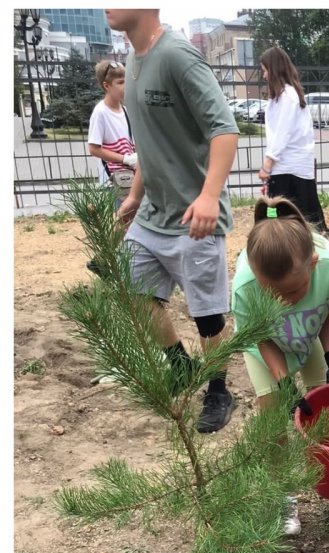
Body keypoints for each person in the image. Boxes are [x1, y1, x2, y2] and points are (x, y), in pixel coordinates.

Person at [106, 9, 239, 434]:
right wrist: (134, 196)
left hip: (194, 218)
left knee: (207, 316)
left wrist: (208, 197)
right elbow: (149, 143)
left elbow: (225, 129)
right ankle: (179, 365)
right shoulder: (133, 61)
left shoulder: (178, 55)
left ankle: (219, 390)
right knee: (134, 290)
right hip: (152, 215)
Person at [231, 198, 329, 535]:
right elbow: (261, 337)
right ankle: (283, 494)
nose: (284, 301)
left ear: (313, 263)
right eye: (273, 294)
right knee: (275, 417)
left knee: (328, 409)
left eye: (293, 291)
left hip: (309, 337)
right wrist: (284, 384)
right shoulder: (245, 287)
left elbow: (324, 312)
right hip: (268, 346)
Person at [258, 46, 329, 235]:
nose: (264, 76)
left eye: (265, 70)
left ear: (273, 69)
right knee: (299, 212)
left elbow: (282, 132)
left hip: (289, 164)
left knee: (290, 215)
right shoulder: (283, 96)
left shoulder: (287, 97)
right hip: (289, 164)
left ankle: (305, 247)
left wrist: (268, 163)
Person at [86, 60, 137, 209]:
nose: (125, 87)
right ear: (106, 86)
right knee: (121, 222)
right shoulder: (101, 112)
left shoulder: (125, 111)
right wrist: (126, 159)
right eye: (120, 82)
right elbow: (94, 149)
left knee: (131, 221)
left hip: (130, 178)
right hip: (112, 181)